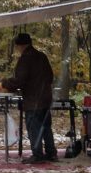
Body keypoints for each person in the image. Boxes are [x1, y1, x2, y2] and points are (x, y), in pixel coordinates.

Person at [3, 33, 56, 164]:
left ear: (20, 45)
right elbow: (50, 76)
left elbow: (20, 80)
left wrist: (5, 83)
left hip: (33, 101)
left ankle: (37, 155)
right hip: (46, 98)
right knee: (46, 127)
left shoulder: (25, 59)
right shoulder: (42, 56)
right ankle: (51, 153)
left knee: (34, 128)